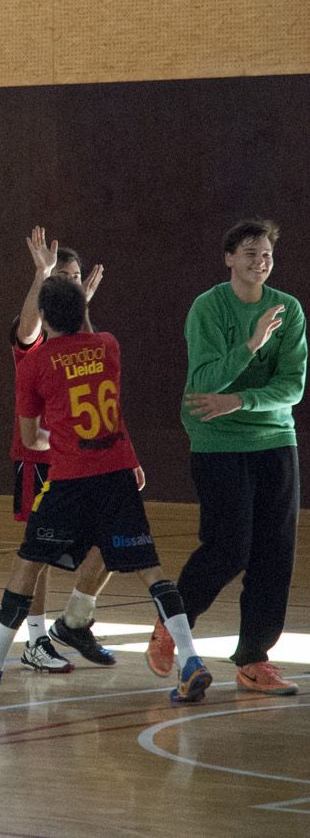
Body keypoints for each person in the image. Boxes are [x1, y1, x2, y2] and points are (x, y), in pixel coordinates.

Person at [0, 276, 213, 704]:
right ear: (83, 311)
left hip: (70, 480)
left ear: (43, 317)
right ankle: (191, 659)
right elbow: (87, 338)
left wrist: (64, 437)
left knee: (28, 564)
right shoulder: (108, 346)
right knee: (151, 570)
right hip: (117, 477)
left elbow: (31, 439)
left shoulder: (34, 364)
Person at [159, 219, 305, 696]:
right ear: (228, 259)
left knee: (274, 555)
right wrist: (251, 346)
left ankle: (254, 659)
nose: (260, 262)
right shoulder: (208, 308)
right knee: (228, 548)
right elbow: (204, 383)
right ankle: (172, 623)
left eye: (266, 255)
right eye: (250, 253)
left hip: (274, 439)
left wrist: (241, 400)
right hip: (218, 441)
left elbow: (292, 386)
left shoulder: (288, 309)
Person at [10, 227, 116, 670]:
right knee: (38, 553)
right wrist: (42, 274)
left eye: (75, 277)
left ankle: (74, 620)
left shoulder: (90, 340)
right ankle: (35, 640)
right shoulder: (38, 335)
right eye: (63, 277)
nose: (71, 283)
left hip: (88, 459)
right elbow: (26, 330)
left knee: (114, 539)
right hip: (42, 457)